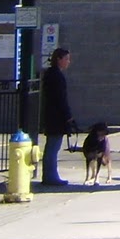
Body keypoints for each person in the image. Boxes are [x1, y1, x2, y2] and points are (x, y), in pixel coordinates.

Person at [39, 47, 75, 187]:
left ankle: (50, 175)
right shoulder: (56, 76)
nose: (68, 62)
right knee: (53, 147)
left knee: (52, 146)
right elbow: (60, 98)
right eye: (66, 59)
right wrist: (68, 115)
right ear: (59, 59)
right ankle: (50, 176)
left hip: (52, 115)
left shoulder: (51, 74)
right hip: (56, 117)